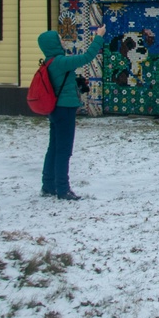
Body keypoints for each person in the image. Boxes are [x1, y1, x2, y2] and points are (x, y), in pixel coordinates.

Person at [38, 25, 107, 200]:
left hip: (56, 110)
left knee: (53, 148)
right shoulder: (60, 61)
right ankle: (63, 189)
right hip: (65, 110)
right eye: (59, 39)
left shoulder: (49, 62)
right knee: (64, 150)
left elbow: (61, 82)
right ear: (53, 44)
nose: (62, 41)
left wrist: (76, 83)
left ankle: (48, 185)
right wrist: (98, 37)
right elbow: (87, 57)